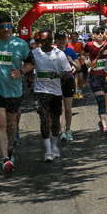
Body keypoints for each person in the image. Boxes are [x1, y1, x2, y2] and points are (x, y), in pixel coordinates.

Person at [0, 14, 33, 173]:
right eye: (3, 27)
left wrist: (21, 71)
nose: (6, 30)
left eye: (9, 26)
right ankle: (5, 158)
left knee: (12, 123)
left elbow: (30, 63)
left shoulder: (20, 44)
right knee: (1, 122)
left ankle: (11, 143)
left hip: (13, 88)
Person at [32, 30, 74, 162]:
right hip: (40, 91)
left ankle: (54, 145)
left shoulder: (59, 54)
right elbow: (28, 66)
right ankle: (48, 151)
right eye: (43, 41)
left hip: (55, 92)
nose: (46, 43)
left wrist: (58, 76)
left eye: (49, 40)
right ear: (39, 41)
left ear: (52, 40)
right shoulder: (34, 53)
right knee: (44, 120)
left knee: (55, 121)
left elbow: (68, 73)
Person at [85, 26, 107, 136]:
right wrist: (87, 62)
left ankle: (102, 123)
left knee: (105, 102)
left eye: (102, 32)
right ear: (93, 35)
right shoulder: (89, 45)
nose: (100, 34)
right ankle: (105, 127)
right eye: (98, 33)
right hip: (94, 76)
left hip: (106, 77)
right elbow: (83, 54)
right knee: (100, 100)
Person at [56, 31, 79, 141]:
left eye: (63, 39)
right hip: (56, 82)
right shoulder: (53, 52)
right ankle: (62, 132)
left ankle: (69, 129)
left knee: (68, 108)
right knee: (61, 109)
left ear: (66, 40)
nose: (61, 41)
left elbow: (78, 67)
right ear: (55, 40)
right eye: (59, 39)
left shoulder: (71, 51)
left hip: (69, 81)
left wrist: (71, 61)